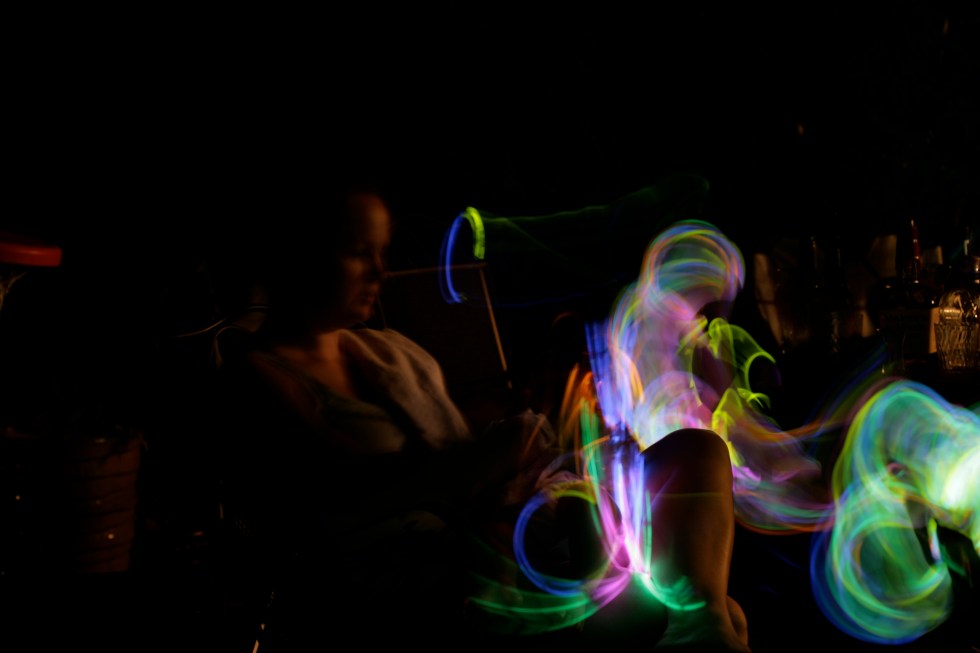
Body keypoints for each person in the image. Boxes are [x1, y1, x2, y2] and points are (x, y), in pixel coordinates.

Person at [210, 181, 752, 652]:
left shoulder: (391, 352)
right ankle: (684, 621)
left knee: (697, 450)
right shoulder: (259, 378)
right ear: (299, 254)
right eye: (358, 252)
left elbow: (461, 441)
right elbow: (323, 510)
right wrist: (471, 470)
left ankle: (698, 624)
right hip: (440, 558)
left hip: (505, 503)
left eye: (382, 251)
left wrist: (536, 439)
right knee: (680, 583)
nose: (380, 270)